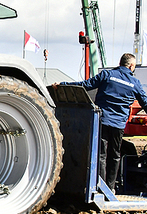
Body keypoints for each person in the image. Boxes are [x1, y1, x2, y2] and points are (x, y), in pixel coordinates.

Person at [53, 53, 147, 191]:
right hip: (119, 125)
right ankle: (110, 187)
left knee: (100, 154)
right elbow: (145, 103)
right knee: (115, 155)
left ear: (120, 63)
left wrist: (63, 85)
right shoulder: (135, 83)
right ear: (131, 66)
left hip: (102, 121)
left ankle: (99, 187)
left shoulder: (107, 75)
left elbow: (85, 85)